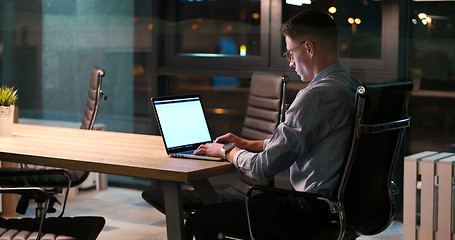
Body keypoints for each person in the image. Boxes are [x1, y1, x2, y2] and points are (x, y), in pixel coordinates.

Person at [189, 9, 363, 239]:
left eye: (291, 53)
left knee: (200, 220)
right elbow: (309, 141)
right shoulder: (353, 87)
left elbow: (263, 168)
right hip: (340, 210)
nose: (290, 62)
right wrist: (247, 144)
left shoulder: (314, 96)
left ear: (309, 48)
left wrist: (226, 150)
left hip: (308, 213)